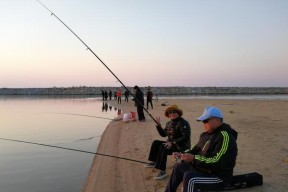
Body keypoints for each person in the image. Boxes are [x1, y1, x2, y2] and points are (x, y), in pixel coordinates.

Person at [164, 106, 238, 192]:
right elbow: (194, 149)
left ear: (217, 120)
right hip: (204, 169)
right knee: (178, 166)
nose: (204, 124)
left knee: (190, 178)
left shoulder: (225, 137)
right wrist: (182, 154)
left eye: (206, 121)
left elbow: (217, 162)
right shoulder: (205, 135)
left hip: (218, 176)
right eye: (203, 121)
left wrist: (193, 158)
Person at [144, 105, 191, 180]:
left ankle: (162, 171)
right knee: (156, 142)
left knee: (164, 147)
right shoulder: (169, 123)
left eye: (173, 112)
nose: (171, 114)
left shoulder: (183, 123)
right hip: (171, 144)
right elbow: (163, 134)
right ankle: (154, 161)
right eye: (169, 113)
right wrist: (158, 126)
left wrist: (172, 143)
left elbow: (185, 137)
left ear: (178, 113)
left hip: (181, 146)